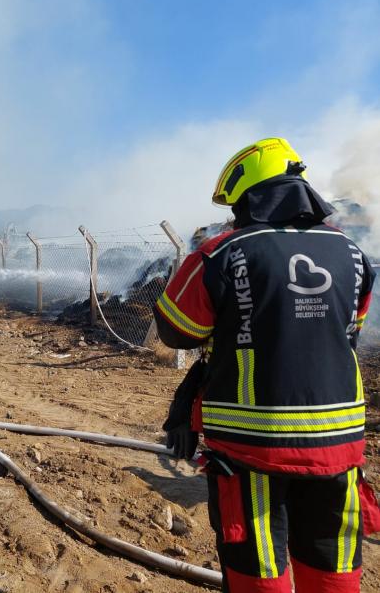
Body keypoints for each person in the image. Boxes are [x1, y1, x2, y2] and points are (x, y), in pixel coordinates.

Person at [154, 138, 378, 593]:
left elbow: (177, 330)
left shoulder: (221, 253)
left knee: (257, 571)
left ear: (250, 197)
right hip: (338, 448)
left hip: (252, 450)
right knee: (333, 566)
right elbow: (349, 330)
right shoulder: (353, 254)